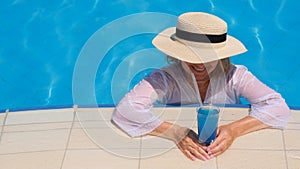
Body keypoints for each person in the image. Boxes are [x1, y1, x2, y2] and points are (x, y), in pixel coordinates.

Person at [111, 12, 290, 161]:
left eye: (207, 56)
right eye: (192, 56)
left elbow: (278, 106)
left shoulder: (236, 76)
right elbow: (125, 110)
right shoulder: (165, 79)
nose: (200, 64)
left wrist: (233, 130)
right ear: (177, 54)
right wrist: (176, 132)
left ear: (221, 56)